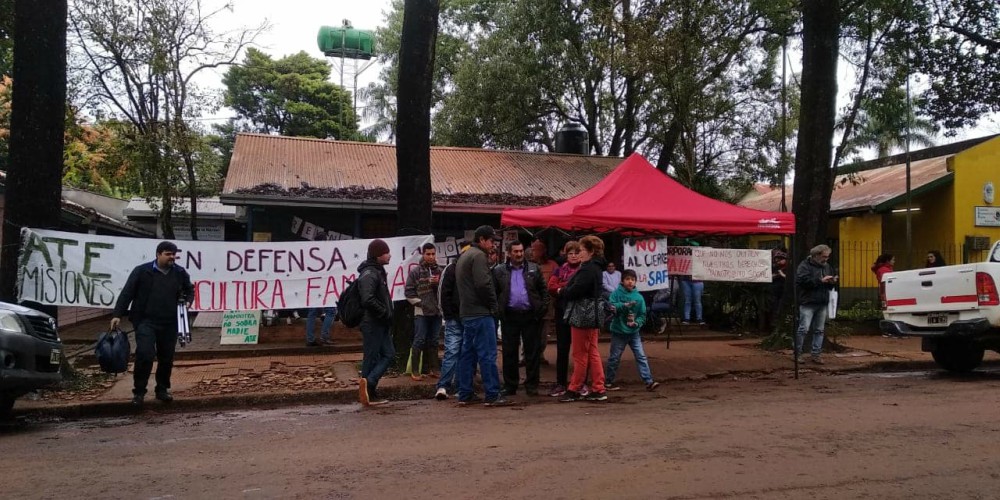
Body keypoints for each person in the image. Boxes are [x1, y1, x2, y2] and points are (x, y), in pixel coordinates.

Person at [110, 241, 194, 407]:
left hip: (170, 322)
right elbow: (127, 292)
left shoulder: (179, 272)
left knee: (166, 357)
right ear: (158, 254)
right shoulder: (142, 271)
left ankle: (162, 389)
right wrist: (117, 314)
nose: (172, 257)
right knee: (145, 354)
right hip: (145, 321)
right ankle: (139, 392)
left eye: (174, 254)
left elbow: (189, 289)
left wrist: (188, 301)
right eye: (168, 254)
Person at [456, 225, 511, 407]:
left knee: (468, 354)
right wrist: (493, 305)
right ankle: (492, 394)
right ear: (481, 240)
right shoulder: (479, 256)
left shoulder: (465, 255)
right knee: (487, 354)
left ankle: (465, 393)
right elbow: (483, 284)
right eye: (491, 241)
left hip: (467, 312)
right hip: (481, 313)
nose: (493, 245)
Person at [557, 235, 608, 402]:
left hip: (583, 313)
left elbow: (575, 290)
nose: (579, 253)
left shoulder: (587, 269)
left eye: (582, 250)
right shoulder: (596, 268)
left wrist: (562, 291)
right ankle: (598, 387)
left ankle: (575, 388)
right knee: (592, 351)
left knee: (580, 353)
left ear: (591, 252)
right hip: (592, 313)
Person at [494, 241, 549, 396]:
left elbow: (543, 291)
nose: (519, 254)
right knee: (509, 352)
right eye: (515, 251)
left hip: (530, 315)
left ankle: (532, 385)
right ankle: (510, 385)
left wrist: (541, 309)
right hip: (509, 316)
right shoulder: (499, 270)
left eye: (521, 251)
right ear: (509, 253)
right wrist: (498, 311)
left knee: (532, 352)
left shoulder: (534, 268)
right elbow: (494, 293)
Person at [605, 269, 659, 392]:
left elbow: (642, 315)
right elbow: (611, 306)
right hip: (618, 331)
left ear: (635, 282)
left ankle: (649, 381)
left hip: (634, 332)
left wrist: (637, 323)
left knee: (641, 356)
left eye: (633, 279)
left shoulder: (639, 298)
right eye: (627, 279)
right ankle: (608, 381)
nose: (630, 282)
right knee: (614, 358)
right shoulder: (616, 294)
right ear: (622, 281)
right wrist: (624, 305)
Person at [357, 239, 394, 406]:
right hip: (373, 322)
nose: (389, 255)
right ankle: (369, 389)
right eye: (386, 252)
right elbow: (367, 299)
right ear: (378, 254)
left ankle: (369, 386)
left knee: (388, 354)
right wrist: (384, 311)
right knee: (371, 357)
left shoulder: (377, 272)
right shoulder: (370, 273)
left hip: (380, 322)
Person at [547, 241, 582, 397]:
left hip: (580, 313)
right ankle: (561, 382)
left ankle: (580, 382)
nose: (573, 256)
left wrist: (562, 287)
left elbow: (579, 288)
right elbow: (551, 286)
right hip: (562, 312)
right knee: (562, 348)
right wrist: (567, 287)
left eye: (576, 253)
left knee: (580, 350)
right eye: (570, 253)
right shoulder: (559, 270)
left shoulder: (584, 270)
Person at [404, 243, 443, 381]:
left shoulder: (440, 271)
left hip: (437, 312)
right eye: (428, 254)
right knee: (419, 340)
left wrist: (438, 284)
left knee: (434, 340)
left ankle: (434, 368)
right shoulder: (415, 272)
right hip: (421, 312)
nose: (431, 257)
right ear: (423, 254)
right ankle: (415, 370)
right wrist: (421, 304)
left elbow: (445, 290)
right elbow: (408, 292)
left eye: (433, 254)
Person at [794, 244, 838, 364]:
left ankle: (816, 354)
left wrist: (832, 281)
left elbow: (829, 282)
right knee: (803, 329)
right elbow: (802, 281)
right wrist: (820, 281)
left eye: (827, 257)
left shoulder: (827, 266)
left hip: (822, 301)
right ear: (816, 255)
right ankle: (798, 353)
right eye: (824, 256)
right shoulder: (804, 266)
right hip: (808, 301)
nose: (826, 259)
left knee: (819, 330)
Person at [434, 244, 465, 400]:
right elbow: (443, 294)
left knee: (463, 354)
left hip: (468, 318)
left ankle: (461, 386)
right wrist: (447, 316)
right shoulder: (451, 269)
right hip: (454, 318)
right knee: (452, 352)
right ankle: (443, 386)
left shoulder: (473, 269)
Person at [531, 239, 557, 365]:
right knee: (529, 332)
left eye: (535, 250)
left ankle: (540, 355)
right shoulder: (527, 265)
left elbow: (557, 280)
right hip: (531, 305)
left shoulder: (553, 265)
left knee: (543, 334)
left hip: (547, 304)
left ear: (542, 251)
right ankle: (526, 356)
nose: (532, 252)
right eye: (532, 249)